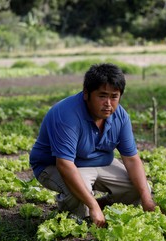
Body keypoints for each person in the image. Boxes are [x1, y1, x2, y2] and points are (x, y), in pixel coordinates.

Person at [29, 63, 156, 227]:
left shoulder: (120, 117)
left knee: (140, 188)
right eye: (102, 96)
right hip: (54, 165)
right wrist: (92, 204)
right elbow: (65, 165)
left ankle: (99, 206)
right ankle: (73, 211)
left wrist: (147, 200)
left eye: (114, 96)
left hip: (99, 162)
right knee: (78, 198)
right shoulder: (67, 115)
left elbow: (131, 159)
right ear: (86, 94)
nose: (108, 103)